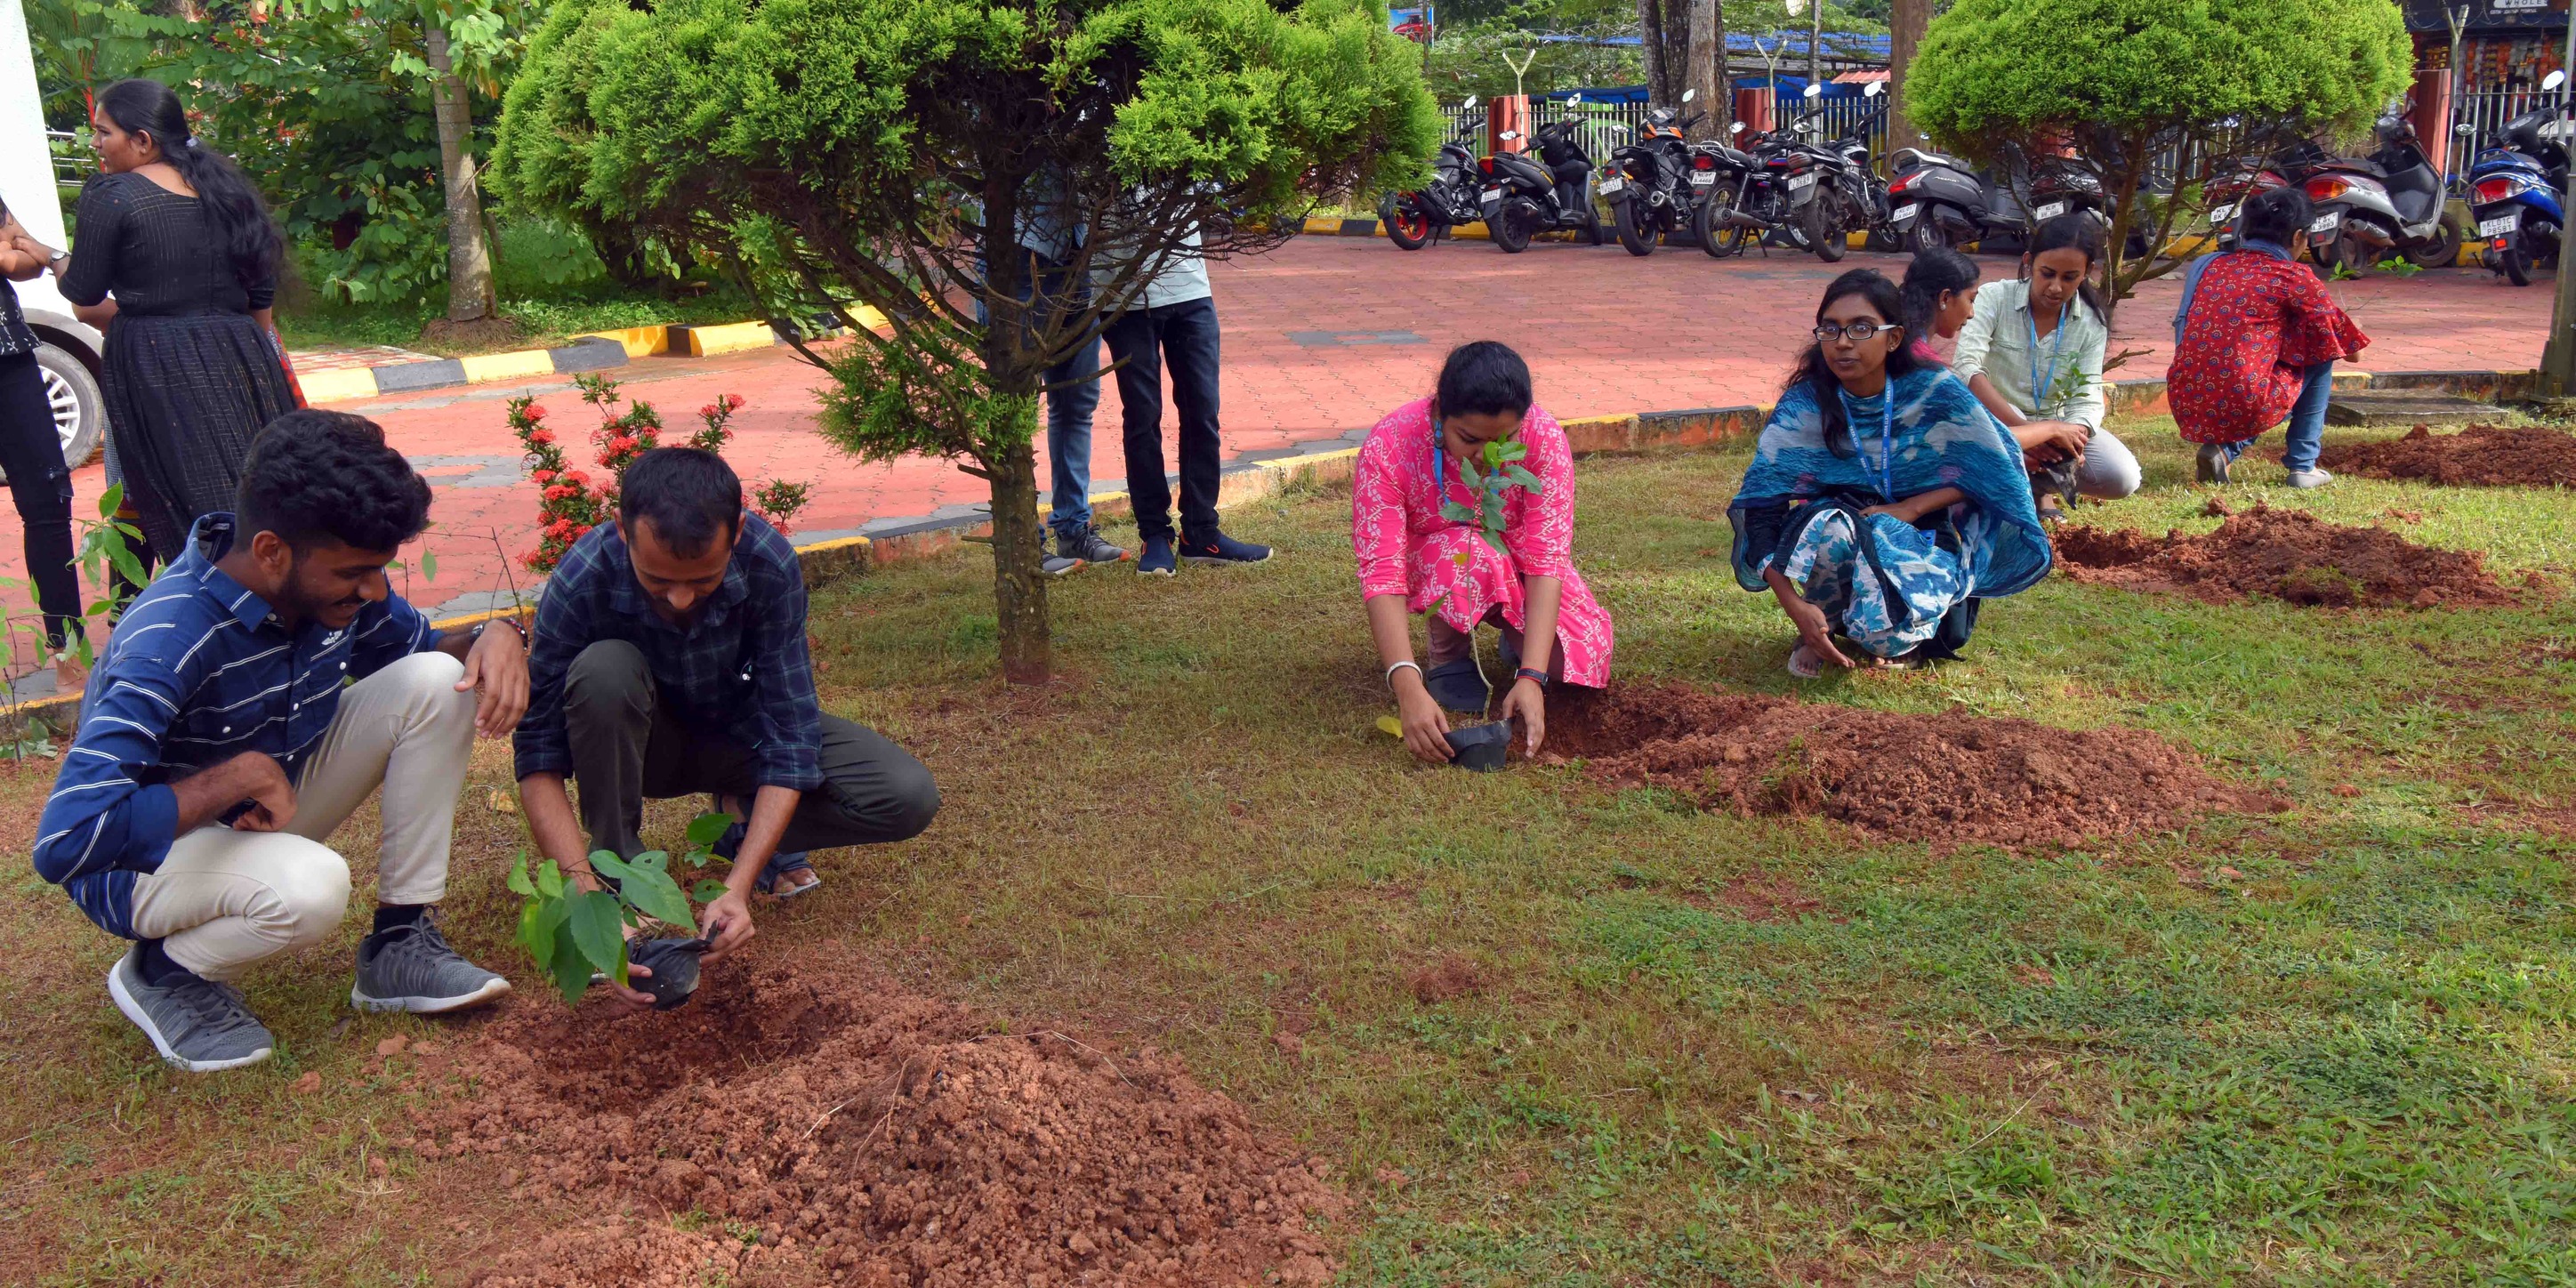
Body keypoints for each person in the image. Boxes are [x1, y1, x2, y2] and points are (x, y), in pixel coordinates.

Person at [32, 410, 532, 1073]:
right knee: (312, 887)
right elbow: (66, 841)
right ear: (271, 551)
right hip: (140, 866)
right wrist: (232, 777)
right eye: (357, 571)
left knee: (440, 682)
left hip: (260, 806)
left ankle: (400, 942)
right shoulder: (168, 640)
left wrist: (500, 635)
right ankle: (164, 969)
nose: (375, 589)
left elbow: (423, 652)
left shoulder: (328, 585)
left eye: (380, 568)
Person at [513, 447, 938, 1004]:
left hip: (744, 740)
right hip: (642, 749)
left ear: (736, 532)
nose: (681, 598)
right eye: (658, 580)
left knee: (905, 795)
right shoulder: (582, 578)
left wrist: (737, 887)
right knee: (604, 671)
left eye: (704, 579)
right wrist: (583, 900)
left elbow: (789, 733)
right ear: (621, 530)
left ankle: (737, 827)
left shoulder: (769, 562)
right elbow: (538, 752)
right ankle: (616, 879)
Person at [18, 79, 295, 561]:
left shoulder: (116, 195)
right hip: (245, 356)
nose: (94, 144)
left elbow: (82, 292)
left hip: (158, 363)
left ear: (142, 140)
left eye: (103, 133)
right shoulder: (227, 192)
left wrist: (50, 256)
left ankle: (197, 608)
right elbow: (261, 302)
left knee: (181, 501)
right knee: (260, 492)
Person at [1728, 270, 2051, 678]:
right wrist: (1795, 606)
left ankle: (1896, 628)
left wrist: (1912, 507)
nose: (1843, 343)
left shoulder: (1933, 391)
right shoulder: (1805, 404)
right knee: (1827, 526)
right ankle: (1820, 623)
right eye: (1831, 329)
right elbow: (1762, 509)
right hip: (1845, 523)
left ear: (1894, 338)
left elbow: (1994, 469)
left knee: (1888, 638)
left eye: (1862, 328)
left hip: (1924, 528)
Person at [1355, 341, 1614, 764]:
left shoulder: (1544, 438)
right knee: (1469, 549)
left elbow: (1547, 560)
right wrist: (1407, 685)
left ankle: (1515, 639)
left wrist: (1532, 676)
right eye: (1470, 439)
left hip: (1518, 564)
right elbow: (1381, 571)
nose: (1487, 457)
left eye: (1505, 440)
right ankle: (1448, 657)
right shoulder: (1390, 444)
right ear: (1440, 411)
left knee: (1575, 660)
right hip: (1444, 560)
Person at [1099, 222, 1270, 576]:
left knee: (1203, 412)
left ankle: (1201, 533)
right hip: (1124, 294)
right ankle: (1155, 536)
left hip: (1191, 289)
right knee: (1143, 417)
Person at [2169, 187, 2368, 488]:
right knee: (2321, 354)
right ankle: (2303, 466)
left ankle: (2224, 450)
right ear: (2299, 236)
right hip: (2242, 398)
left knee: (2256, 369)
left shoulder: (2209, 265)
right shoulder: (2294, 277)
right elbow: (2350, 352)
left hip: (2187, 395)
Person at [1952, 214, 2142, 519]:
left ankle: (2039, 489)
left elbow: (2087, 393)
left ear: (2087, 273)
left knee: (2121, 476)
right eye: (2047, 274)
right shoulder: (1993, 298)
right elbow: (1966, 368)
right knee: (1997, 444)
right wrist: (2030, 432)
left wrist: (2074, 438)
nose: (2056, 287)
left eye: (2069, 277)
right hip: (1995, 423)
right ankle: (2023, 493)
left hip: (2056, 427)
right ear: (2029, 263)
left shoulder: (2092, 324)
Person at [1004, 169, 1125, 576]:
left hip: (1077, 264)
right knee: (1014, 411)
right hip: (1019, 263)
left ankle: (1074, 530)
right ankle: (1024, 542)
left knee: (1076, 405)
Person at [0, 209, 86, 688]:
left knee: (49, 503)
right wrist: (7, 252)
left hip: (10, 356)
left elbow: (25, 258)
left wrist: (12, 254)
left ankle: (68, 656)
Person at [1897, 246, 1980, 365]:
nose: (1971, 314)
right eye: (1971, 300)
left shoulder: (1894, 340)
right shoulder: (1928, 371)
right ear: (1944, 298)